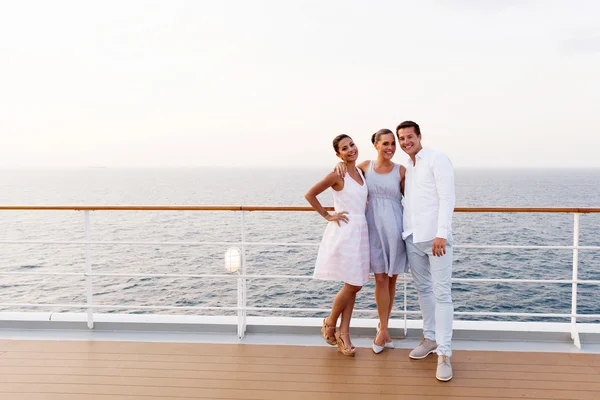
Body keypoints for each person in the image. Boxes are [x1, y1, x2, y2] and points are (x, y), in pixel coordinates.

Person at [334, 129, 408, 354]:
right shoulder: (365, 167)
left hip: (395, 227)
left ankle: (383, 328)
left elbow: (411, 198)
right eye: (385, 143)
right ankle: (382, 331)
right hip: (372, 227)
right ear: (375, 145)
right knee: (381, 279)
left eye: (393, 143)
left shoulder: (401, 171)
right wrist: (339, 165)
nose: (390, 147)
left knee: (392, 278)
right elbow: (348, 177)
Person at [396, 120, 455, 382]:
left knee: (442, 294)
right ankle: (430, 339)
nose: (406, 141)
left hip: (435, 239)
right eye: (401, 138)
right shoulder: (408, 166)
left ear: (419, 136)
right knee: (424, 290)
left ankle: (444, 353)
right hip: (412, 237)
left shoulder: (436, 158)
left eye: (410, 136)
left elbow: (447, 197)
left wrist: (442, 233)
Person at [305, 134, 370, 356]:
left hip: (361, 232)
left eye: (352, 144)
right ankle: (331, 323)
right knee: (353, 284)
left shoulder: (361, 170)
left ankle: (343, 333)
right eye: (345, 148)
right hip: (346, 232)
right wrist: (327, 215)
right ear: (338, 154)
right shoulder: (337, 174)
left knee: (354, 283)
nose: (351, 149)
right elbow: (310, 194)